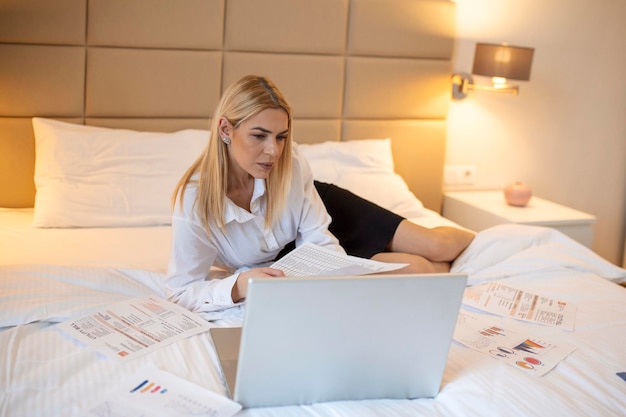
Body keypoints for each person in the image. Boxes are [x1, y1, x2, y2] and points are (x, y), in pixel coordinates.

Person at [166, 74, 473, 319]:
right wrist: (239, 285)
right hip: (285, 259)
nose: (273, 151)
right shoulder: (194, 202)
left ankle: (484, 243)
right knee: (417, 270)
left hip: (324, 217)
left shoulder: (291, 164)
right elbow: (181, 291)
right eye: (259, 136)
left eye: (281, 137)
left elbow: (319, 239)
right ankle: (444, 274)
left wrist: (338, 274)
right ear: (225, 130)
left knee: (438, 245)